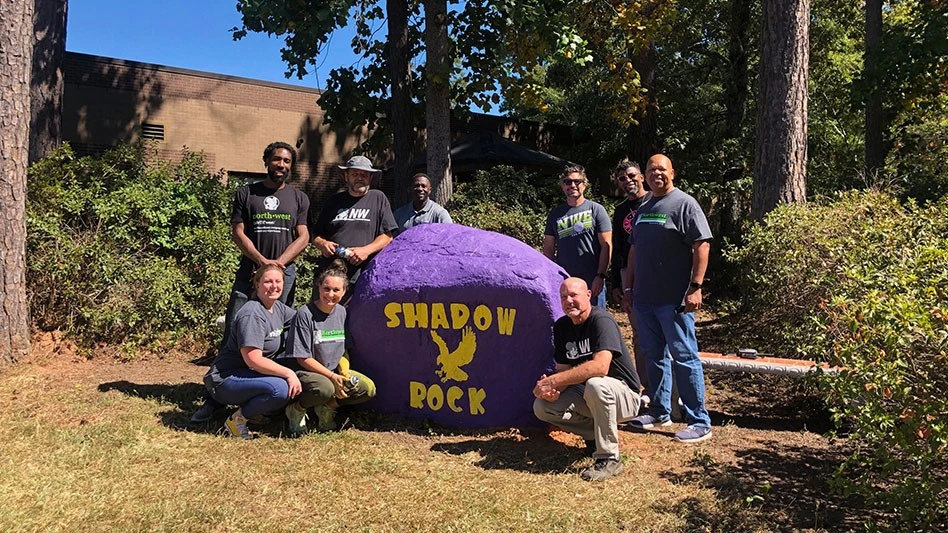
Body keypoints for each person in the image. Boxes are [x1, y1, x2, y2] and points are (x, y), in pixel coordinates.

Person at [192, 141, 309, 423]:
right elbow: (237, 231)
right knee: (235, 331)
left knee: (276, 336)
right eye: (277, 159)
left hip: (284, 274)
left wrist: (278, 264)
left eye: (287, 161)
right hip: (250, 272)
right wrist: (260, 260)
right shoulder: (247, 193)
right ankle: (214, 400)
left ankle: (265, 398)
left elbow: (303, 236)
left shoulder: (299, 198)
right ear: (266, 161)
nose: (281, 165)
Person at [622, 154, 713, 444]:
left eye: (661, 169)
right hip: (644, 299)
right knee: (654, 356)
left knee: (684, 357)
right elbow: (635, 250)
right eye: (651, 170)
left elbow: (701, 244)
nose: (655, 173)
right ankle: (660, 411)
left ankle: (699, 420)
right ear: (645, 176)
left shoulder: (685, 203)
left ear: (672, 172)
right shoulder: (645, 206)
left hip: (674, 299)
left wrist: (695, 286)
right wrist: (628, 288)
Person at [533, 277, 642, 482]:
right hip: (589, 395)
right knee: (542, 407)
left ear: (589, 295)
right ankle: (594, 437)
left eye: (573, 295)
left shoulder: (601, 320)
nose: (569, 301)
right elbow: (564, 372)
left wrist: (554, 380)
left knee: (596, 383)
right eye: (564, 297)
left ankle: (610, 458)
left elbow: (601, 367)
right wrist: (551, 391)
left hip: (624, 397)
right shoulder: (562, 327)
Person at [203, 264, 302, 439]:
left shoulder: (277, 307)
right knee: (281, 389)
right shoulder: (252, 314)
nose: (274, 286)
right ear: (257, 284)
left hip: (249, 374)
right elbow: (253, 360)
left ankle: (257, 411)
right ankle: (237, 421)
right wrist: (289, 373)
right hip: (226, 379)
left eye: (278, 281)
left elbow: (302, 317)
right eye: (268, 281)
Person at [278, 260, 377, 435]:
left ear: (344, 292)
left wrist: (344, 373)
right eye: (326, 288)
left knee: (366, 388)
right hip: (307, 371)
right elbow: (302, 358)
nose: (330, 294)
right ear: (319, 287)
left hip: (333, 371)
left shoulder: (342, 312)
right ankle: (296, 409)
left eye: (336, 290)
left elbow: (343, 349)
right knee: (326, 388)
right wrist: (332, 377)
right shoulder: (305, 314)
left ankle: (325, 408)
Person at [309, 155, 397, 303]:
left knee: (357, 320)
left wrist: (366, 250)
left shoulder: (378, 198)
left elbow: (388, 236)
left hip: (363, 275)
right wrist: (323, 244)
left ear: (370, 178)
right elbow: (316, 235)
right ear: (346, 176)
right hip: (331, 274)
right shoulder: (333, 201)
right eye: (355, 174)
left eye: (364, 174)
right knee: (323, 316)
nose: (360, 178)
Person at [608, 159, 651, 392]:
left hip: (655, 271)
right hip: (628, 275)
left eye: (632, 176)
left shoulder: (655, 202)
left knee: (660, 330)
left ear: (642, 176)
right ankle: (646, 385)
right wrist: (616, 281)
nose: (628, 181)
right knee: (638, 332)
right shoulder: (621, 210)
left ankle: (669, 388)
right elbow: (617, 246)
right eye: (622, 178)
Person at [543, 166, 612, 308]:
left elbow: (606, 245)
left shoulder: (596, 209)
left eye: (577, 182)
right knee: (569, 322)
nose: (572, 185)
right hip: (565, 279)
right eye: (568, 182)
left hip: (592, 280)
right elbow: (548, 248)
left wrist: (600, 276)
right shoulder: (555, 214)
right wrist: (550, 277)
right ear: (562, 186)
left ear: (585, 185)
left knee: (596, 321)